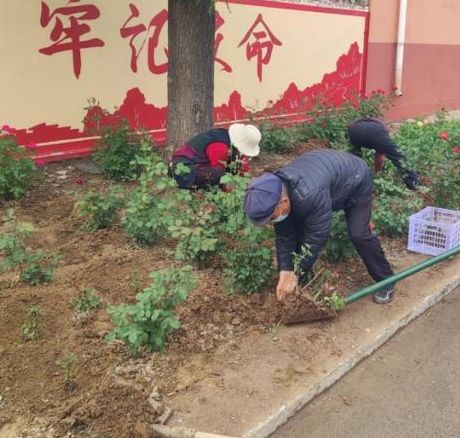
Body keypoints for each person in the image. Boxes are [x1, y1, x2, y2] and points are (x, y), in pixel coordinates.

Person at [243, 150, 396, 304]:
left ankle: (387, 280)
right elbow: (285, 236)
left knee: (359, 234)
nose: (271, 221)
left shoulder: (309, 195)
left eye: (271, 217)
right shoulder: (276, 191)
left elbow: (317, 237)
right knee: (296, 228)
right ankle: (300, 281)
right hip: (326, 180)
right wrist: (285, 271)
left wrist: (295, 275)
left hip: (356, 179)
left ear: (283, 201)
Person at [171, 124, 261, 189]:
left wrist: (247, 180)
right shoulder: (220, 147)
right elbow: (222, 175)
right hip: (183, 170)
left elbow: (242, 163)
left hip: (199, 162)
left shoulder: (228, 138)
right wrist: (234, 191)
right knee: (220, 174)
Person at [347, 117, 419, 190]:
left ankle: (354, 183)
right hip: (374, 131)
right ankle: (414, 184)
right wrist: (377, 174)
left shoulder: (364, 122)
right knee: (398, 157)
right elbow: (380, 157)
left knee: (355, 161)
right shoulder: (382, 130)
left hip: (353, 131)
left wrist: (376, 174)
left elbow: (378, 156)